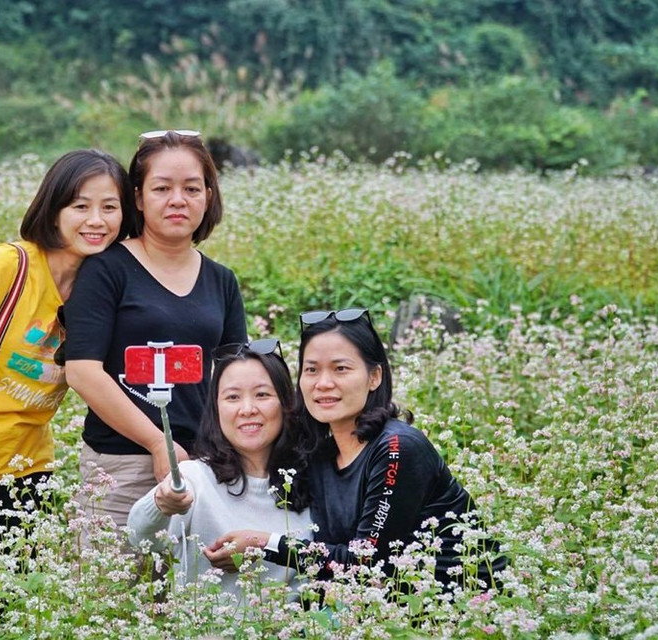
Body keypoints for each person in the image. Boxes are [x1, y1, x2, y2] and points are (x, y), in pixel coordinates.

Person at [0, 149, 136, 566]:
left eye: (110, 207)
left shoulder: (102, 283)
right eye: (80, 206)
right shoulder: (10, 264)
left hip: (31, 468)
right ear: (53, 210)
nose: (97, 220)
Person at [208, 309, 506, 590]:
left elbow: (366, 562)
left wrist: (263, 544)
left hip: (455, 609)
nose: (323, 383)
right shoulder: (320, 453)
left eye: (340, 369)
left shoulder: (396, 449)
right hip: (373, 610)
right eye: (311, 370)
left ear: (374, 376)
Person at [62, 130, 248, 528]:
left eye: (192, 188)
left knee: (192, 588)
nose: (178, 200)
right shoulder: (105, 269)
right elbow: (81, 370)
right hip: (121, 466)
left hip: (201, 466)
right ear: (139, 198)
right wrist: (155, 443)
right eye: (162, 188)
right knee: (109, 585)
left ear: (208, 197)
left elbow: (239, 375)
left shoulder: (221, 280)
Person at [128, 339, 315, 598]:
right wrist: (161, 503)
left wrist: (265, 547)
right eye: (232, 397)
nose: (247, 409)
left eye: (262, 394)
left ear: (286, 403)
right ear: (216, 409)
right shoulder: (194, 477)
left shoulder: (315, 478)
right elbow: (139, 535)